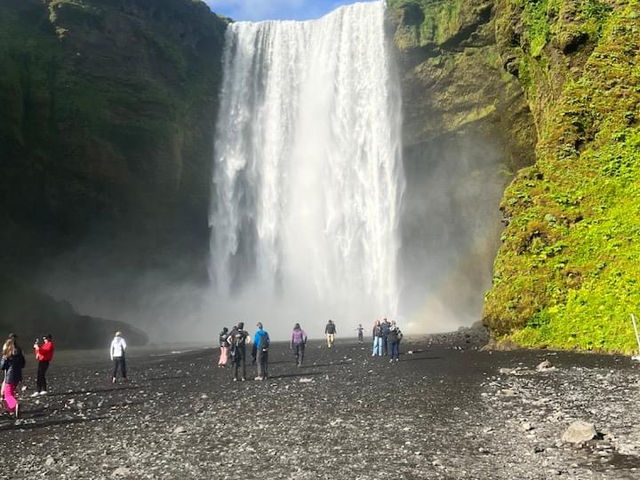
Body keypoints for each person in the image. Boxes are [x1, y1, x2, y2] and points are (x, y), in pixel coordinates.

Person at [1, 336, 25, 417]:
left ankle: (15, 405)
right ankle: (11, 409)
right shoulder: (19, 353)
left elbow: (2, 366)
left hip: (9, 376)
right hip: (17, 376)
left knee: (7, 394)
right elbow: (23, 364)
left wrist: (4, 358)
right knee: (11, 392)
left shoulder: (8, 355)